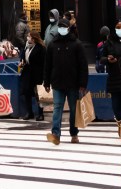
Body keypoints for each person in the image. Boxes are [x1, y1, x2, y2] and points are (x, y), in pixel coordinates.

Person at [42, 18, 87, 146]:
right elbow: (47, 65)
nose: (61, 29)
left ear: (68, 28)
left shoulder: (77, 44)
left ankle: (74, 133)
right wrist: (46, 82)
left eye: (64, 27)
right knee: (57, 107)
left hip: (73, 83)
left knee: (73, 109)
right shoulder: (53, 44)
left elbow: (83, 65)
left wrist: (82, 83)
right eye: (60, 26)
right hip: (57, 82)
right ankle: (56, 133)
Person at [17, 31, 45, 121]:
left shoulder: (41, 48)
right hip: (27, 72)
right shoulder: (26, 47)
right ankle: (29, 112)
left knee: (38, 94)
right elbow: (23, 58)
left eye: (29, 36)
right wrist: (22, 62)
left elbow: (44, 62)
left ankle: (40, 113)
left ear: (33, 38)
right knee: (27, 92)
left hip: (37, 74)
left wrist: (44, 76)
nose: (27, 38)